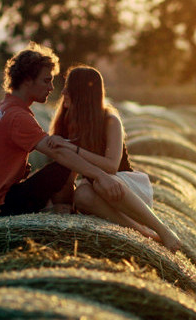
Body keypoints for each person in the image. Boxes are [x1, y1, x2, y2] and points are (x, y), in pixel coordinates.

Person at [0, 42, 125, 228]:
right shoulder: (18, 117)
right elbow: (59, 153)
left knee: (62, 161)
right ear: (27, 80)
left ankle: (59, 208)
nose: (52, 88)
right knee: (63, 163)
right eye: (46, 80)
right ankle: (66, 210)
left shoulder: (2, 107)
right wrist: (102, 176)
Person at [49, 65, 181, 252]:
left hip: (126, 190)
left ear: (82, 93)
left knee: (101, 182)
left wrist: (72, 147)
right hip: (97, 190)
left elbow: (111, 166)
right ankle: (144, 234)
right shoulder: (66, 120)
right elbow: (68, 168)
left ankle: (161, 229)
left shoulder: (110, 120)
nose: (63, 91)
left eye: (69, 87)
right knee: (82, 194)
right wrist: (63, 203)